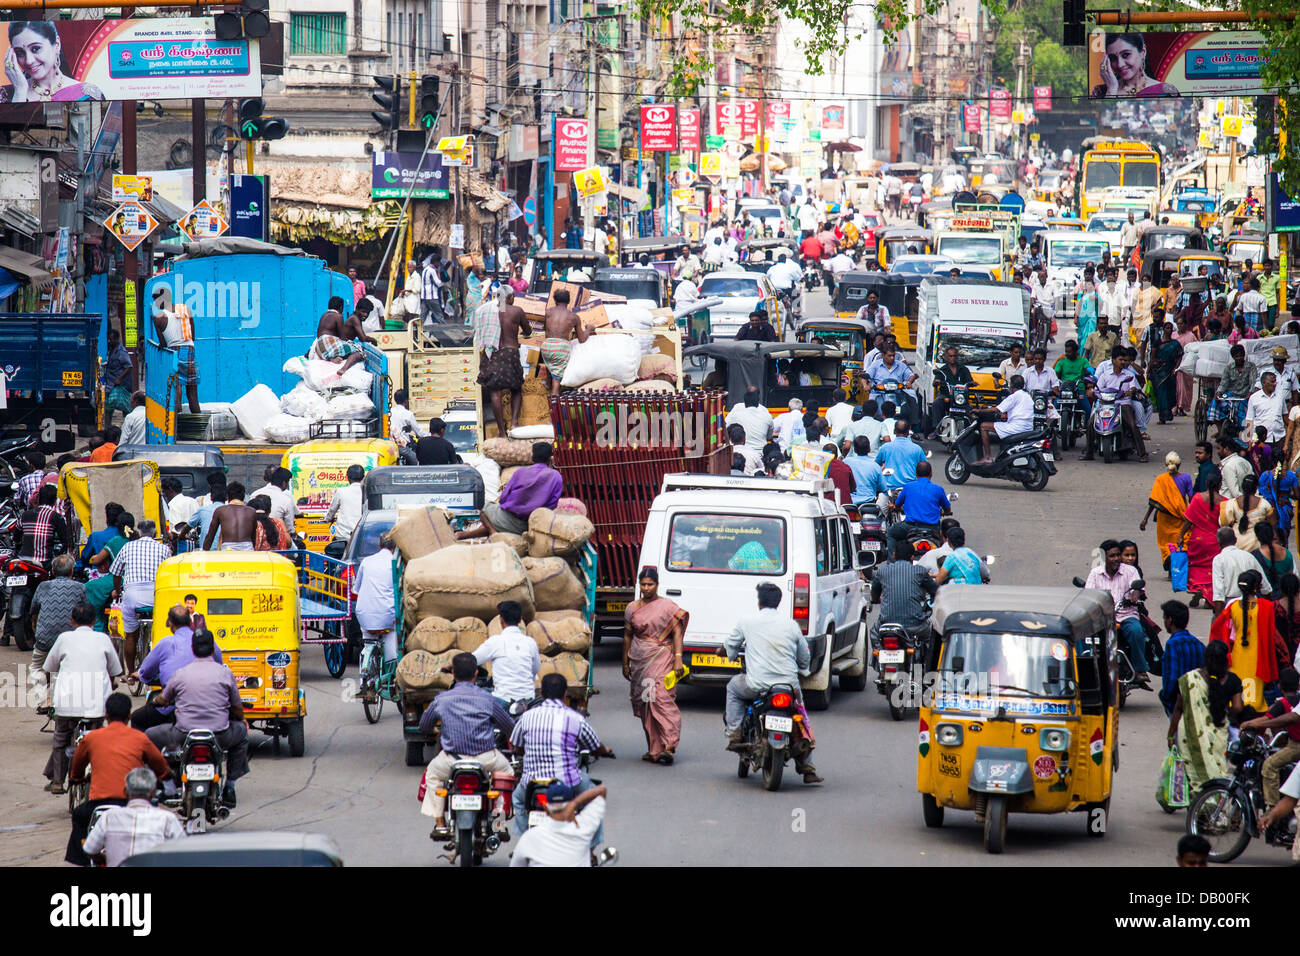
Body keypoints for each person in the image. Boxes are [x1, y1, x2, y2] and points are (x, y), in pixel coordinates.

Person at [722, 582, 821, 784]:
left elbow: (730, 646)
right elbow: (804, 658)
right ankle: (807, 766)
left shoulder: (747, 621)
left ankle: (734, 733)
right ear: (778, 602)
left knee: (733, 687)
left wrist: (723, 652)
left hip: (757, 686)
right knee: (800, 716)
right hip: (788, 687)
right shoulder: (791, 624)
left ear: (759, 602)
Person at [416, 651, 516, 840]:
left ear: (453, 674)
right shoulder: (489, 699)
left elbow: (424, 726)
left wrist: (436, 731)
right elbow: (509, 726)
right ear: (476, 673)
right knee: (507, 772)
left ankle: (440, 824)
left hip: (452, 760)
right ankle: (499, 822)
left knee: (432, 774)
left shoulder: (441, 699)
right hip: (486, 758)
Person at [146, 628, 249, 807]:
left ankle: (169, 787)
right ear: (212, 650)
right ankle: (230, 786)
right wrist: (240, 719)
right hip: (219, 734)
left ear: (193, 649)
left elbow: (164, 698)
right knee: (242, 734)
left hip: (183, 734)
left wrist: (157, 700)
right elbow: (238, 710)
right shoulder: (225, 674)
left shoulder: (181, 674)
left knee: (149, 735)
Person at [65, 692, 171, 865]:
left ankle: (82, 861)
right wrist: (165, 775)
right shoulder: (140, 738)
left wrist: (76, 778)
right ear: (129, 716)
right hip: (131, 803)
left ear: (106, 715)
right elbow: (159, 765)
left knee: (78, 815)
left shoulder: (91, 738)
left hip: (100, 805)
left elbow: (77, 766)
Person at [510, 672, 612, 841]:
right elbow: (595, 746)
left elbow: (517, 745)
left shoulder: (526, 717)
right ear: (565, 694)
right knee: (594, 801)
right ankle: (592, 849)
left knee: (518, 801)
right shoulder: (575, 718)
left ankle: (523, 840)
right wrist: (604, 751)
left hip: (531, 783)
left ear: (541, 694)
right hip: (567, 781)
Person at [42, 601, 122, 793]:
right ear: (95, 620)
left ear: (71, 620)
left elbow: (49, 668)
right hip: (96, 706)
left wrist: (51, 689)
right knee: (96, 739)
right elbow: (115, 670)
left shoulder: (64, 638)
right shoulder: (103, 639)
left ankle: (57, 782)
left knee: (61, 739)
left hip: (67, 703)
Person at [622, 568, 688, 765]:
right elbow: (627, 636)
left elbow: (676, 632)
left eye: (650, 584)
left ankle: (669, 744)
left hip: (661, 657)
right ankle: (654, 749)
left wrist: (678, 658)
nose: (646, 588)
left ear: (657, 585)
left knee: (660, 698)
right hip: (639, 658)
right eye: (643, 584)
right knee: (645, 702)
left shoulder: (667, 606)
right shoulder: (632, 608)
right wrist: (625, 663)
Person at [129, 606, 222, 731]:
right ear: (190, 622)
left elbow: (146, 672)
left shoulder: (167, 644)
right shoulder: (207, 642)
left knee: (137, 718)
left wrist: (140, 675)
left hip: (174, 707)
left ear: (170, 624)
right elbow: (219, 664)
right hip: (208, 705)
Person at [1168, 641, 1241, 797]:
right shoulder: (1232, 680)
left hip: (1190, 735)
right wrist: (1224, 709)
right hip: (1218, 735)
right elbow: (1237, 708)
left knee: (1193, 772)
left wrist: (1170, 735)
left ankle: (1197, 804)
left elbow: (1178, 709)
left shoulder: (1189, 679)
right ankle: (1213, 802)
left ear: (1206, 658)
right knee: (1216, 768)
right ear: (1225, 659)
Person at [1210, 568, 1284, 712]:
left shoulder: (1232, 607)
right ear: (1256, 587)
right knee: (1256, 699)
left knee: (1238, 688)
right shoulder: (1267, 607)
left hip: (1238, 655)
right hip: (1258, 657)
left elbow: (1218, 628)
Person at [81, 766, 184, 867]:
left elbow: (89, 849)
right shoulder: (167, 819)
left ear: (125, 791)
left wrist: (104, 858)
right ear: (153, 793)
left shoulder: (108, 817)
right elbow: (183, 852)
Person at [457, 442, 562, 539]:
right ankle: (467, 535)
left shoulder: (520, 472)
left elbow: (503, 498)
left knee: (484, 507)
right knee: (497, 519)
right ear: (550, 459)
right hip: (536, 525)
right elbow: (553, 505)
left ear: (532, 458)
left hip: (510, 520)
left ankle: (492, 532)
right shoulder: (556, 476)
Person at [1085, 539, 1150, 685]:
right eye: (1112, 556)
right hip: (1103, 618)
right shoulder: (1095, 573)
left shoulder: (1130, 571)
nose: (1116, 559)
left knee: (1136, 631)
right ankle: (1084, 665)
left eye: (1117, 555)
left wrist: (1134, 596)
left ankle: (1140, 670)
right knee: (1082, 634)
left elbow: (1136, 590)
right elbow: (1088, 595)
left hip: (1126, 615)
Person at [110, 519, 170, 672]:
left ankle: (130, 673)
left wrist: (118, 590)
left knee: (131, 636)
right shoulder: (164, 549)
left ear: (139, 532)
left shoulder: (127, 547)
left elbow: (116, 573)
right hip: (156, 596)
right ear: (155, 533)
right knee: (160, 633)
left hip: (132, 595)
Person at [510, 782, 612, 867]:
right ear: (571, 807)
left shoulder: (529, 837)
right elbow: (601, 790)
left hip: (530, 784)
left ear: (546, 809)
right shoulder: (582, 828)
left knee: (517, 798)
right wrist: (575, 803)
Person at [29, 554, 85, 710]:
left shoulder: (43, 586)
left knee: (37, 668)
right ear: (72, 571)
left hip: (45, 638)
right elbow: (86, 612)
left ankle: (43, 701)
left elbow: (33, 609)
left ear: (52, 570)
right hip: (72, 639)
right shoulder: (80, 587)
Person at [1241, 668, 1300, 810]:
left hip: (1296, 746)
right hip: (1291, 744)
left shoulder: (1282, 703)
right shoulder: (1297, 700)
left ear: (1279, 686)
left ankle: (1272, 808)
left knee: (1269, 765)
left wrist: (1250, 724)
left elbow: (1267, 719)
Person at [1081, 349, 1147, 463]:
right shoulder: (1105, 375)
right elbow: (1098, 389)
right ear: (1113, 360)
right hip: (1105, 404)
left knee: (1132, 424)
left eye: (1124, 360)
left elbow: (1133, 387)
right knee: (1090, 423)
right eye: (1120, 360)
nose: (1123, 362)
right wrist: (1093, 392)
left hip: (1123, 404)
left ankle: (1142, 453)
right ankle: (1089, 452)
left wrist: (1130, 391)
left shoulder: (1129, 375)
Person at [474, 600, 540, 706]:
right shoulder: (530, 642)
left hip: (503, 701)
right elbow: (535, 669)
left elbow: (473, 660)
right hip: (528, 701)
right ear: (520, 619)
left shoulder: (495, 641)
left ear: (500, 619)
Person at [870, 538, 939, 641]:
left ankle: (876, 655)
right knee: (931, 634)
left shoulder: (882, 571)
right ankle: (927, 657)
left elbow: (874, 593)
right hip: (916, 626)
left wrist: (875, 600)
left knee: (874, 633)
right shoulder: (920, 571)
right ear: (912, 557)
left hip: (887, 624)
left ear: (894, 555)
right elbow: (935, 590)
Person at [151, 287, 200, 414]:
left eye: (156, 300)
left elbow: (163, 343)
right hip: (189, 351)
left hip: (174, 353)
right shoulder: (186, 310)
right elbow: (192, 337)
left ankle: (175, 429)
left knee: (176, 391)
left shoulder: (158, 317)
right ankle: (199, 429)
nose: (156, 304)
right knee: (193, 394)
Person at [1139, 451, 1192, 567]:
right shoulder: (1186, 478)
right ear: (1179, 464)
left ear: (1165, 465)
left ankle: (1170, 570)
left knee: (1166, 544)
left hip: (1164, 518)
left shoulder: (1160, 479)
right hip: (1181, 516)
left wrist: (1145, 519)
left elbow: (1154, 501)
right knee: (1181, 539)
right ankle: (1178, 567)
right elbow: (1192, 498)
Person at [352, 534, 398, 668]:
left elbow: (356, 589)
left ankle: (365, 677)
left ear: (379, 545)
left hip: (364, 615)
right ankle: (391, 670)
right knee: (392, 639)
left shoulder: (366, 561)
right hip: (387, 617)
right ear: (394, 547)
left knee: (368, 645)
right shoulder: (395, 564)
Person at [976, 373, 1034, 466]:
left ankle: (988, 457)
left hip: (1017, 427)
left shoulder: (1014, 396)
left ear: (1012, 385)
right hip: (1028, 427)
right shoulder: (1027, 396)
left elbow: (996, 409)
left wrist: (978, 411)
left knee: (983, 426)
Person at [540, 288, 589, 398]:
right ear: (568, 301)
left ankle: (548, 383)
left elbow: (544, 328)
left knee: (550, 363)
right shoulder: (574, 317)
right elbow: (582, 339)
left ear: (555, 301)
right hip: (561, 348)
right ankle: (554, 394)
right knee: (557, 378)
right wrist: (589, 329)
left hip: (546, 346)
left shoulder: (547, 312)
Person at [1159, 600, 1204, 717]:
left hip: (1177, 704)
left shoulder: (1172, 644)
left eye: (1164, 618)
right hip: (1197, 702)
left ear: (1170, 620)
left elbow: (1172, 677)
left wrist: (1164, 697)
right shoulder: (1198, 644)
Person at [892, 460, 951, 542]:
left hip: (910, 527)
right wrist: (943, 512)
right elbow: (947, 509)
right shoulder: (938, 489)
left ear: (916, 474)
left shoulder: (908, 487)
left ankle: (893, 555)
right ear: (931, 474)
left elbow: (897, 504)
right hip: (932, 528)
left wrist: (898, 508)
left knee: (891, 532)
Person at [1219, 472, 1275, 554]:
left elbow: (1223, 523)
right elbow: (1272, 524)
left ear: (1242, 487)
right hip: (1258, 545)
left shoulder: (1231, 503)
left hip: (1237, 544)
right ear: (1256, 488)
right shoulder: (1264, 504)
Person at [17, 482, 70, 567]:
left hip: (23, 558)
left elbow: (16, 534)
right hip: (44, 561)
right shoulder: (56, 517)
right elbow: (65, 541)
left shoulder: (25, 515)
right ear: (54, 500)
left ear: (39, 499)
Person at [203, 480, 257, 551]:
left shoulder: (220, 510)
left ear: (227, 496)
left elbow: (210, 536)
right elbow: (253, 537)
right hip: (247, 548)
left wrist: (204, 552)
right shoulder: (252, 511)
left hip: (228, 548)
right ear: (243, 496)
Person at [875, 419, 926, 490]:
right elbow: (924, 468)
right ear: (908, 432)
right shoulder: (917, 449)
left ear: (894, 431)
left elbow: (876, 465)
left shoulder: (885, 447)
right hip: (911, 487)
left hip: (889, 488)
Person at [1148, 322, 1183, 425]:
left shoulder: (1175, 343)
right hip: (1158, 372)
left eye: (1170, 328)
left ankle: (1168, 412)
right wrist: (1149, 370)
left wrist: (1176, 368)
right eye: (1167, 328)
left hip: (1170, 370)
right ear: (1163, 329)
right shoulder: (1157, 343)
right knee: (1160, 394)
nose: (1168, 330)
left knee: (1170, 393)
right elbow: (1152, 357)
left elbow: (1180, 356)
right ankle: (1162, 416)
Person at [725, 386, 774, 452]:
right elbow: (769, 436)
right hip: (759, 453)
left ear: (745, 402)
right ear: (758, 401)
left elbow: (726, 427)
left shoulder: (736, 412)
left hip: (739, 451)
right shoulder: (766, 414)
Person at [324, 464, 365, 541]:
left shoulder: (341, 491)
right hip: (362, 537)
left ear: (348, 478)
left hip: (343, 536)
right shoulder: (367, 491)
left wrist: (328, 519)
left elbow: (332, 510)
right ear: (363, 478)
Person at [844, 435, 886, 506]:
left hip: (849, 503)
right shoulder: (875, 466)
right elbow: (883, 488)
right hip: (868, 504)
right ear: (869, 449)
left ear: (854, 449)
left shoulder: (846, 462)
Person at [390, 389, 429, 464]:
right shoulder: (408, 414)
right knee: (418, 462)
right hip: (402, 446)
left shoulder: (390, 412)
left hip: (390, 445)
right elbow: (419, 432)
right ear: (406, 401)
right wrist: (430, 435)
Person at [1217, 435, 1252, 499]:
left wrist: (1246, 502)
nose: (1217, 452)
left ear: (1226, 449)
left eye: (1219, 448)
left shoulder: (1229, 466)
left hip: (1231, 504)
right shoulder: (1245, 462)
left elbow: (1235, 493)